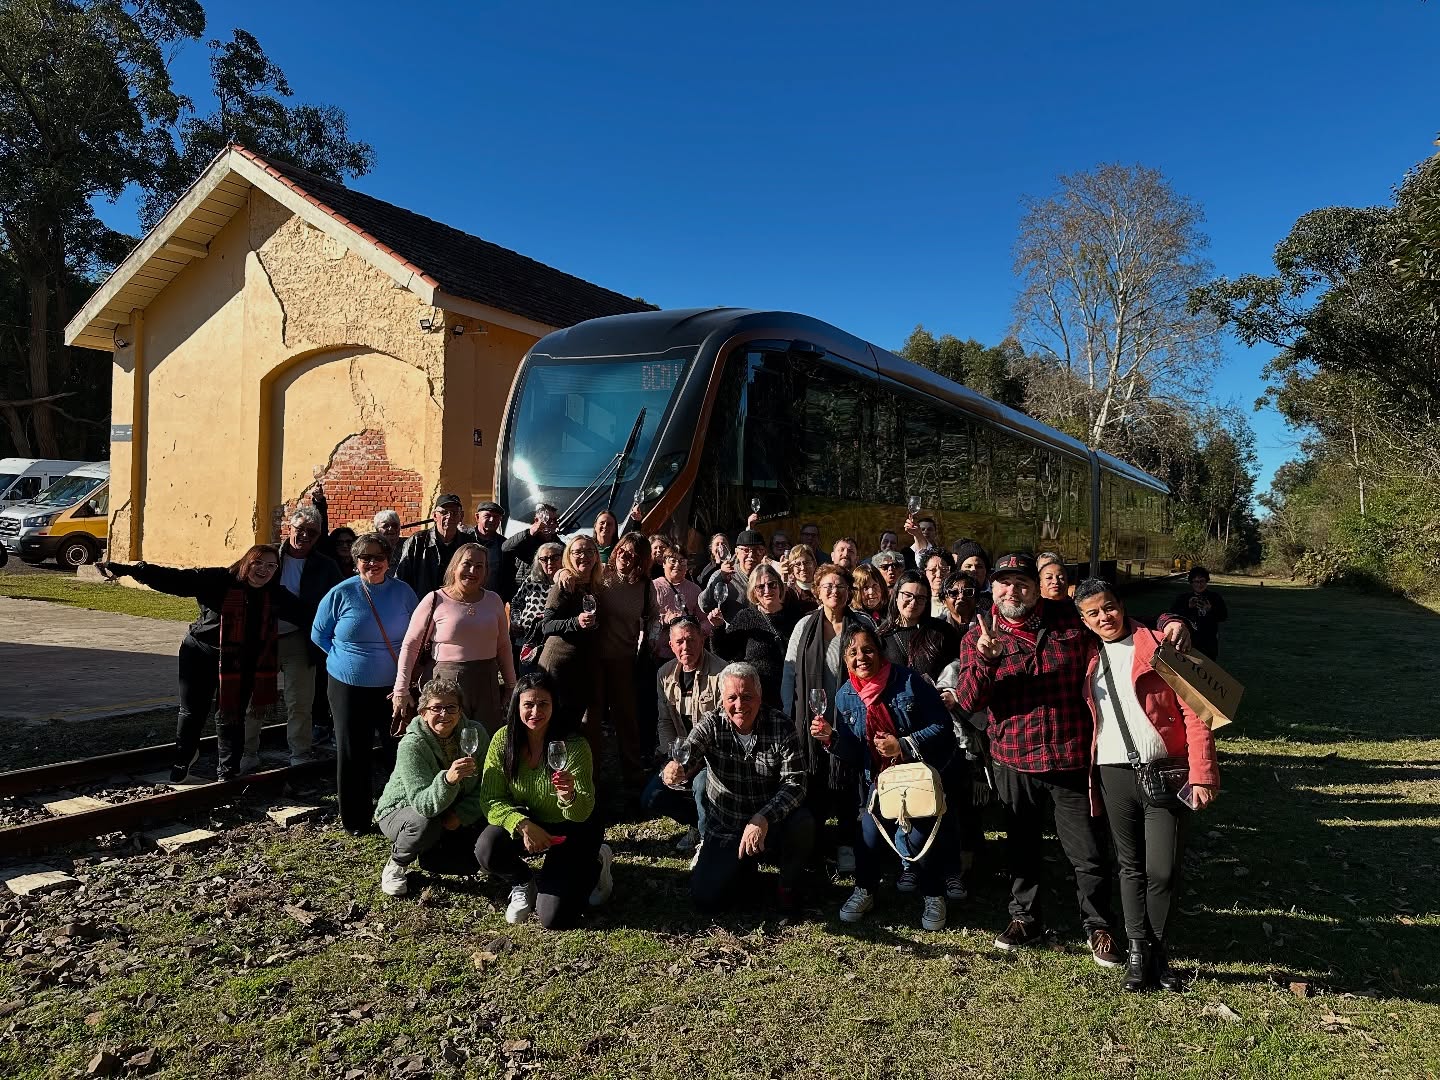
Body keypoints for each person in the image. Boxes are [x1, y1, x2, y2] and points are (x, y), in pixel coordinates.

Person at [953, 552, 1191, 965]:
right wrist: (988, 660)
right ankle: (1025, 917)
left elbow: (1121, 627)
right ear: (992, 587)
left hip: (1071, 758)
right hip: (1013, 759)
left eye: (1022, 582)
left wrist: (1171, 620)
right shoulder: (979, 633)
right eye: (1004, 582)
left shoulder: (1070, 619)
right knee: (1021, 848)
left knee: (1088, 853)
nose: (1013, 590)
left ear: (1036, 586)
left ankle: (1098, 925)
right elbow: (969, 699)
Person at [1075, 578, 1220, 991]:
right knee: (1130, 866)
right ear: (1084, 621)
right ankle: (1139, 952)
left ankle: (1158, 949)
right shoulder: (1086, 656)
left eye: (1109, 607)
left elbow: (1197, 712)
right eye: (1093, 613)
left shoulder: (1159, 644)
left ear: (1121, 605)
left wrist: (1202, 773)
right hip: (1112, 773)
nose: (1104, 617)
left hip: (1165, 771)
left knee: (1164, 869)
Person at [98, 546, 294, 781]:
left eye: (271, 566)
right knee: (192, 711)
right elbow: (176, 580)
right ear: (246, 562)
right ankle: (184, 758)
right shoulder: (219, 579)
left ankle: (228, 770)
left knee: (231, 715)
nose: (264, 570)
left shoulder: (274, 595)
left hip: (241, 662)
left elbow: (309, 612)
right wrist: (131, 570)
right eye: (258, 563)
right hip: (200, 652)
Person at [813, 624, 956, 931]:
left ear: (880, 652)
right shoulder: (845, 696)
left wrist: (902, 744)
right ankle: (865, 890)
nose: (861, 657)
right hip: (878, 783)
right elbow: (855, 753)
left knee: (920, 838)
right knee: (867, 835)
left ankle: (934, 893)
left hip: (916, 778)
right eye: (852, 652)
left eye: (867, 649)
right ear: (844, 659)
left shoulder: (908, 681)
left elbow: (943, 726)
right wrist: (832, 739)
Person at [663, 663, 814, 912]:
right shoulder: (711, 723)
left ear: (760, 696)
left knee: (803, 821)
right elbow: (689, 753)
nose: (740, 704)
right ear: (722, 699)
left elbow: (796, 783)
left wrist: (763, 817)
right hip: (728, 823)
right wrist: (675, 769)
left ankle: (787, 885)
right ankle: (742, 867)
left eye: (747, 697)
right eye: (732, 697)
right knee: (705, 899)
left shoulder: (781, 725)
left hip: (770, 820)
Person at [477, 670, 612, 928]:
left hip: (575, 827)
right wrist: (521, 823)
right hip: (533, 823)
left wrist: (569, 796)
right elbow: (491, 799)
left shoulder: (573, 745)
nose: (535, 712)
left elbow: (583, 811)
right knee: (486, 848)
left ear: (554, 706)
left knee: (554, 918)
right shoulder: (503, 741)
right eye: (528, 704)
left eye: (543, 704)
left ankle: (597, 861)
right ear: (516, 706)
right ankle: (522, 880)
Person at [311, 533, 419, 834]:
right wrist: (345, 660)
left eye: (379, 557)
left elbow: (417, 632)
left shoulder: (404, 592)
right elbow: (319, 634)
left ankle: (402, 812)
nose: (373, 563)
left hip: (394, 687)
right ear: (356, 561)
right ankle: (356, 820)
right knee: (352, 752)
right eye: (365, 558)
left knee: (398, 748)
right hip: (348, 687)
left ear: (389, 560)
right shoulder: (341, 593)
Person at [782, 563, 874, 873]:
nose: (834, 591)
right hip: (811, 716)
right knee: (815, 776)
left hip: (850, 714)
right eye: (828, 586)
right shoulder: (804, 626)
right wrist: (787, 710)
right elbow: (791, 670)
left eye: (841, 586)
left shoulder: (861, 625)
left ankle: (847, 843)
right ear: (818, 591)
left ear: (850, 592)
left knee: (847, 779)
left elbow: (874, 667)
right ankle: (816, 840)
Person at [374, 677, 489, 897]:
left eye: (451, 707)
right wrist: (448, 780)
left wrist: (462, 814)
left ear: (460, 710)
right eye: (436, 707)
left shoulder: (475, 734)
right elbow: (423, 805)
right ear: (423, 712)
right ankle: (397, 864)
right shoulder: (412, 745)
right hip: (404, 811)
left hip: (451, 809)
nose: (444, 715)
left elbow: (487, 783)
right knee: (426, 823)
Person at [393, 544, 516, 736]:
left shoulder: (494, 600)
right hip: (446, 681)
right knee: (446, 740)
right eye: (466, 564)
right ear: (454, 567)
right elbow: (410, 646)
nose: (472, 571)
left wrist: (510, 685)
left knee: (485, 738)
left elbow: (503, 645)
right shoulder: (435, 599)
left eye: (479, 566)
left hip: (487, 682)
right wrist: (401, 689)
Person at [641, 617, 725, 854]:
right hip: (680, 755)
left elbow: (721, 729)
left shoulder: (722, 673)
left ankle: (709, 843)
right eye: (679, 642)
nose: (685, 647)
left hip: (712, 755)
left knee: (700, 785)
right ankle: (697, 823)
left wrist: (694, 763)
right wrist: (672, 758)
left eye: (690, 640)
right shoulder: (664, 674)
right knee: (651, 797)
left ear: (702, 639)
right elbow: (664, 721)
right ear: (670, 644)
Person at [269, 505, 344, 770]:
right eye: (300, 530)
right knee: (253, 699)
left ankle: (299, 753)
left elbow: (338, 602)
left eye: (312, 533)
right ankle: (246, 751)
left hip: (301, 639)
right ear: (289, 528)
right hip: (264, 637)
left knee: (299, 700)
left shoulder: (326, 566)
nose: (304, 537)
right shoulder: (269, 556)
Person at [593, 533, 657, 787]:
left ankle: (633, 779)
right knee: (592, 720)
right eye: (621, 550)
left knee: (626, 720)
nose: (623, 555)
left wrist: (650, 639)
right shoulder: (601, 577)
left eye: (631, 553)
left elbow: (654, 616)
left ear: (640, 560)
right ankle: (591, 779)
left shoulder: (644, 586)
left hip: (624, 659)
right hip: (595, 660)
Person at [711, 563, 805, 708]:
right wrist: (718, 628)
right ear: (753, 592)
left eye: (772, 584)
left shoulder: (795, 616)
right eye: (760, 587)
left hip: (794, 695)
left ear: (780, 586)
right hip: (759, 699)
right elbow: (724, 651)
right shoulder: (746, 617)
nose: (767, 590)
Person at [537, 535, 604, 740]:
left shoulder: (595, 586)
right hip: (559, 667)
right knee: (555, 729)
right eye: (578, 552)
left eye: (589, 552)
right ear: (569, 556)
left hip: (581, 668)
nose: (584, 556)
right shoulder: (565, 584)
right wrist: (575, 622)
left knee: (572, 730)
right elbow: (546, 626)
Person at [879, 571, 960, 681]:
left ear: (927, 601)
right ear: (896, 595)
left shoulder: (943, 632)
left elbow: (958, 666)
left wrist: (949, 691)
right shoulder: (881, 635)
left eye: (920, 598)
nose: (913, 602)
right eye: (907, 595)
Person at [395, 494, 469, 601]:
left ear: (461, 516)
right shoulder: (416, 542)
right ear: (434, 516)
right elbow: (401, 579)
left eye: (454, 513)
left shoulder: (468, 544)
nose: (449, 516)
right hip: (421, 604)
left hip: (457, 606)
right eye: (444, 512)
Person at [509, 541, 563, 673]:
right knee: (527, 681)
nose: (549, 563)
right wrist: (515, 621)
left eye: (554, 557)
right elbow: (516, 603)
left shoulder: (566, 584)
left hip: (552, 644)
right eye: (544, 559)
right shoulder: (531, 580)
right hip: (526, 641)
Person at [649, 544, 705, 661]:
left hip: (686, 653)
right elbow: (644, 617)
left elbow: (703, 620)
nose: (677, 565)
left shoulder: (695, 590)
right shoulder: (653, 587)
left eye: (682, 561)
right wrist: (666, 618)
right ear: (664, 563)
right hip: (658, 651)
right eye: (672, 561)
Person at [500, 502, 560, 603]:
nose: (553, 524)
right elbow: (505, 547)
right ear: (536, 521)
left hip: (546, 597)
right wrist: (531, 532)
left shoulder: (559, 545)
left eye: (555, 520)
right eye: (549, 521)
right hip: (523, 596)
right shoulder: (525, 539)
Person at [1170, 566, 1228, 660]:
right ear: (1191, 583)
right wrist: (1188, 607)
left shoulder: (1215, 597)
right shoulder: (1183, 598)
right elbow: (1173, 615)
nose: (1199, 585)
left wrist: (1210, 609)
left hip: (1209, 641)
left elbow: (1223, 616)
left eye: (1202, 581)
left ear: (1206, 581)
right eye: (1196, 582)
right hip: (1189, 639)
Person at [471, 500, 508, 596]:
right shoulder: (463, 539)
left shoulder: (504, 545)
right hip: (463, 598)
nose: (492, 520)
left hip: (490, 600)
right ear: (477, 517)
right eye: (487, 516)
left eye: (496, 517)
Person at [921, 549, 954, 621]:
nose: (938, 575)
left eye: (944, 570)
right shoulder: (920, 601)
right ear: (924, 573)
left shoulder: (957, 599)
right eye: (933, 570)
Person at [783, 543, 819, 608]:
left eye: (807, 563)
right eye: (798, 564)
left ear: (814, 563)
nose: (803, 568)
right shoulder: (790, 592)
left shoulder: (822, 588)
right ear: (791, 568)